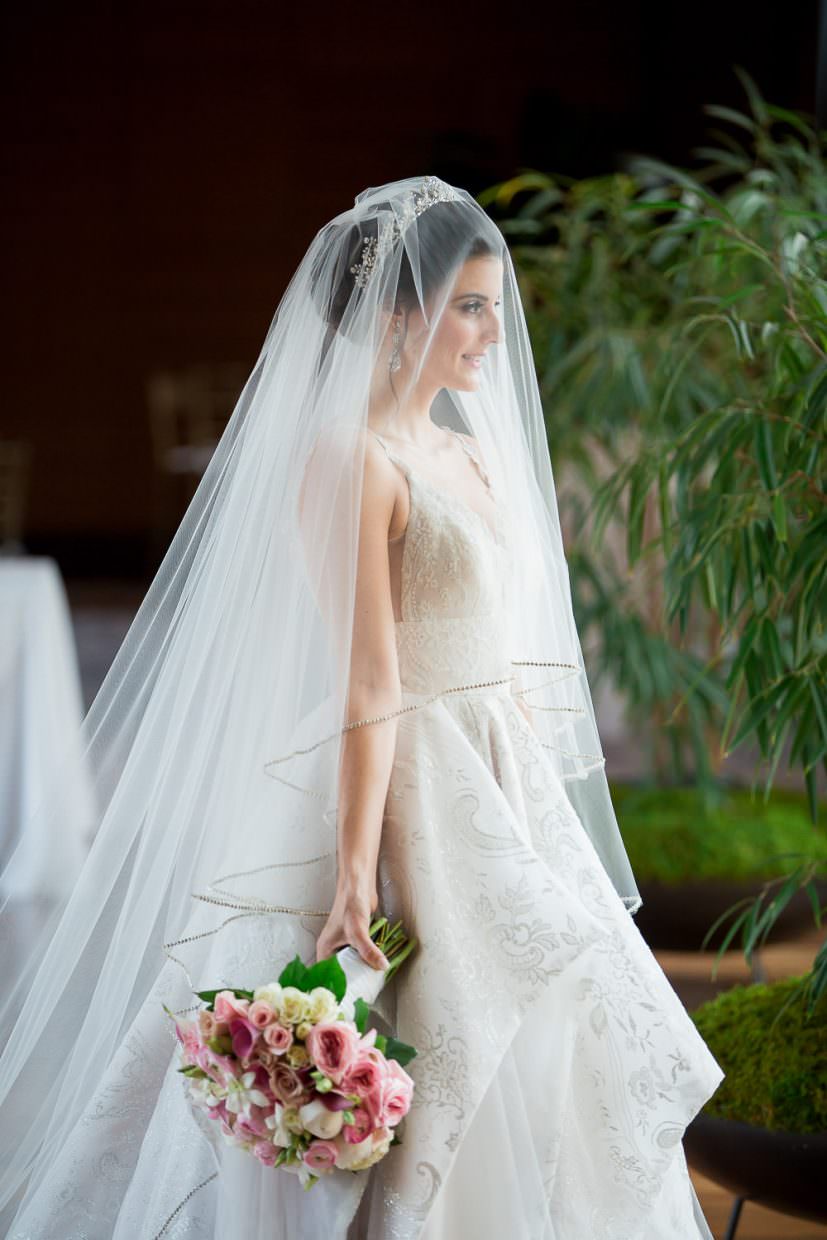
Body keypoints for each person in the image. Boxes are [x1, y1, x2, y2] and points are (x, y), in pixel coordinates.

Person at [0, 175, 724, 1238]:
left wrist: (533, 799)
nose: (490, 331)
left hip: (495, 782)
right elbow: (368, 679)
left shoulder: (469, 452)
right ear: (397, 316)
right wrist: (352, 870)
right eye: (467, 307)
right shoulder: (350, 459)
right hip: (401, 782)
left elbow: (504, 644)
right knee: (420, 1033)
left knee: (546, 1045)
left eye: (492, 304)